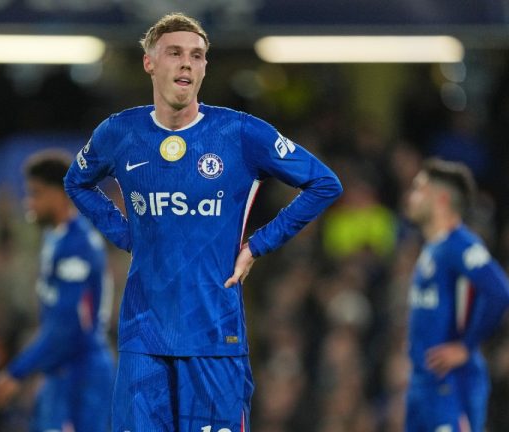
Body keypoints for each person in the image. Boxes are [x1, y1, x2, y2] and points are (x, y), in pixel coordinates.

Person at [64, 12, 343, 431]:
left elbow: (324, 183)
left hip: (215, 337)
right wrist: (125, 234)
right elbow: (77, 182)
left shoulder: (239, 133)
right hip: (144, 339)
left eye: (196, 55)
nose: (186, 63)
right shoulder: (120, 132)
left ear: (205, 67)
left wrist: (258, 245)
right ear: (149, 62)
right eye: (174, 53)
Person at [0, 150, 115, 431]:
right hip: (61, 370)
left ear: (60, 194)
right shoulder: (54, 239)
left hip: (83, 374)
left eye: (36, 193)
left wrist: (17, 372)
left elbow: (67, 327)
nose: (29, 202)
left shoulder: (78, 245)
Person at [404, 158, 509, 432]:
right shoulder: (432, 249)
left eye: (419, 189)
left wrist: (466, 346)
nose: (410, 197)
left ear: (441, 199)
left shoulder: (461, 245)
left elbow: (501, 292)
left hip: (451, 384)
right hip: (423, 384)